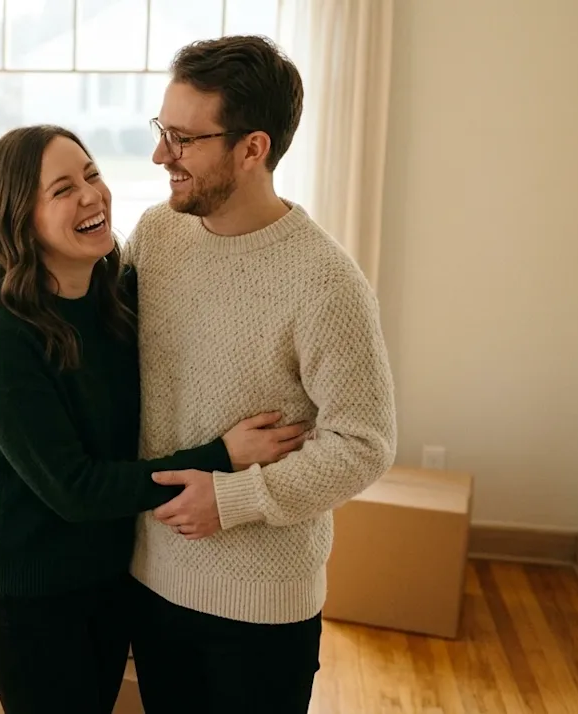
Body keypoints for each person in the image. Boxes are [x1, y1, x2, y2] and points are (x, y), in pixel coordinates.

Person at [0, 124, 307, 714]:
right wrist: (223, 456)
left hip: (111, 576)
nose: (92, 195)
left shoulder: (115, 294)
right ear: (18, 219)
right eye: (63, 189)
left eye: (92, 175)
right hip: (31, 597)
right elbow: (76, 489)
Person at [122, 35, 398, 713]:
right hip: (150, 579)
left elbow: (365, 444)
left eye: (184, 139)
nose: (161, 155)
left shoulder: (327, 283)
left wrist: (233, 499)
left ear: (252, 149)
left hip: (261, 607)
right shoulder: (155, 236)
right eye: (162, 129)